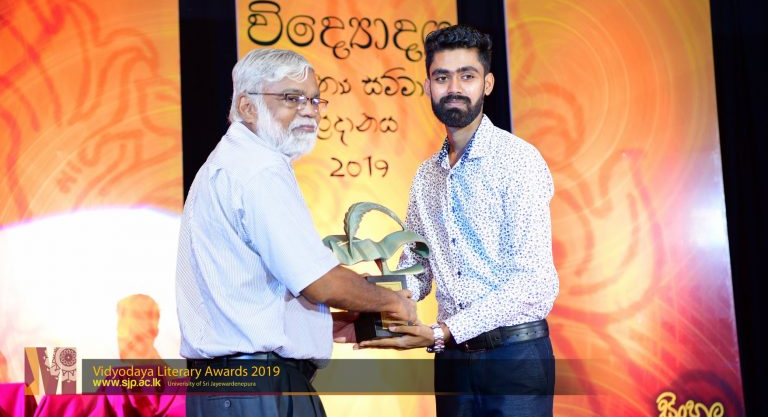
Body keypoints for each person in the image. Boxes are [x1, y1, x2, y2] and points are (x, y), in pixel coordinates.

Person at [176, 48, 416, 417]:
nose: (309, 110)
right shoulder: (259, 169)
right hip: (258, 390)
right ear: (247, 107)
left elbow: (247, 298)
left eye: (315, 99)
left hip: (232, 390)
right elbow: (319, 282)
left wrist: (324, 325)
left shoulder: (229, 164)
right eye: (291, 98)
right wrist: (393, 303)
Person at [359, 25, 559, 417]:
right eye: (442, 77)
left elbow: (536, 283)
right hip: (451, 361)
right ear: (428, 86)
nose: (454, 88)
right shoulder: (426, 176)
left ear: (487, 83)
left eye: (467, 76)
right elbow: (417, 269)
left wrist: (444, 330)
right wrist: (371, 301)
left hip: (514, 356)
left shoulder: (518, 161)